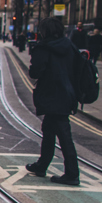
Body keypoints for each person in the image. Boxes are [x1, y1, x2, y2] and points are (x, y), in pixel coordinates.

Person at [26, 16, 80, 186]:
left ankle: (72, 173)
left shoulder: (44, 48)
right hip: (67, 95)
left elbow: (35, 72)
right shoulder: (70, 46)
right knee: (48, 131)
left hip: (51, 95)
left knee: (64, 136)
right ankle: (42, 165)